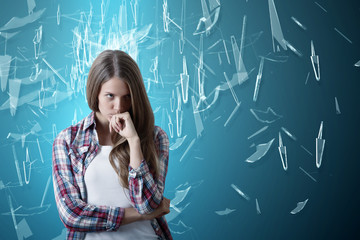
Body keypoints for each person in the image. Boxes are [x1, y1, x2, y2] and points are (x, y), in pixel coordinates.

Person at [52, 50, 173, 240]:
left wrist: (134, 141)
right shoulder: (68, 141)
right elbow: (72, 215)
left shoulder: (155, 137)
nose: (119, 107)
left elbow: (147, 205)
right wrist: (137, 215)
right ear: (95, 93)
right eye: (110, 96)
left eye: (127, 97)